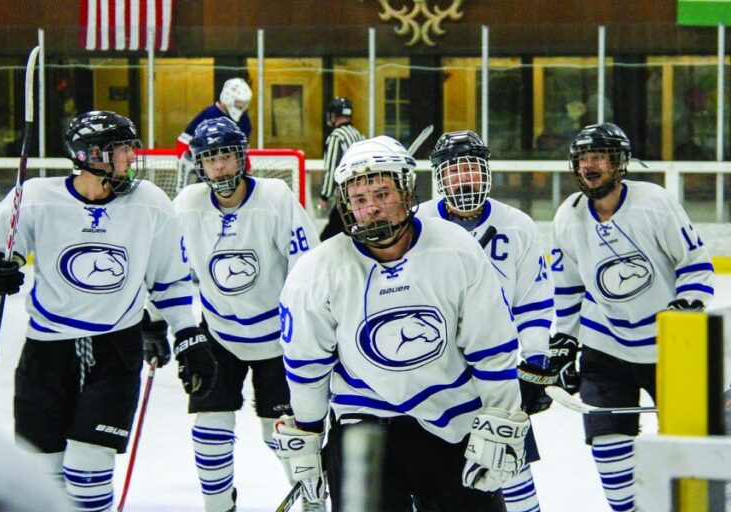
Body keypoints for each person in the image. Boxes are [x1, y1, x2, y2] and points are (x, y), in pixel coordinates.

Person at [0, 110, 216, 511]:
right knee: (41, 474)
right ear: (92, 155)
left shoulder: (150, 203)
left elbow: (169, 279)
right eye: (122, 150)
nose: (131, 158)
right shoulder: (34, 197)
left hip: (115, 350)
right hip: (46, 352)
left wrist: (188, 334)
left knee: (89, 468)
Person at [273, 135, 529, 511]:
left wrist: (500, 415)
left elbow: (491, 347)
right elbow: (307, 364)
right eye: (360, 200)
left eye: (382, 194)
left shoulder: (456, 250)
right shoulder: (317, 271)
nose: (372, 208)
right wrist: (308, 431)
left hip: (454, 422)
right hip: (364, 428)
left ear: (407, 192)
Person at [152, 116, 319, 512]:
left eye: (227, 155)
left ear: (242, 157)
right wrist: (154, 321)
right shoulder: (187, 205)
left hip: (280, 341)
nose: (220, 166)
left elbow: (307, 266)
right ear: (200, 165)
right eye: (211, 159)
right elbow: (163, 268)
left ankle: (313, 502)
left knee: (283, 437)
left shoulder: (276, 197)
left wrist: (316, 332)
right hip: (220, 335)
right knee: (209, 430)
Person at [549, 122, 714, 512]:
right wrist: (564, 342)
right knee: (608, 448)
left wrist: (686, 306)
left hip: (670, 347)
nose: (589, 166)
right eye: (583, 158)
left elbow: (694, 262)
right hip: (605, 348)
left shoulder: (653, 202)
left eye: (599, 157)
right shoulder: (567, 217)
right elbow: (568, 287)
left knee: (689, 448)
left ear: (619, 162)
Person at [416, 130, 557, 512]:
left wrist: (535, 361)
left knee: (510, 466)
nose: (464, 179)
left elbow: (534, 302)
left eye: (472, 170)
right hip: (432, 373)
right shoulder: (418, 222)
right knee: (428, 474)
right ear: (440, 177)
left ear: (487, 173)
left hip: (495, 370)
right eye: (454, 171)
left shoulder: (518, 225)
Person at [317, 96, 365, 241]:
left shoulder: (336, 137)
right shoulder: (358, 134)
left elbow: (332, 169)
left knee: (327, 237)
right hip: (361, 193)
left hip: (346, 196)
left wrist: (324, 196)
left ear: (333, 114)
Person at [176, 78, 253, 157]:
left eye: (245, 103)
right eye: (239, 102)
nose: (243, 106)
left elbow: (243, 148)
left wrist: (245, 166)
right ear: (228, 97)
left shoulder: (243, 119)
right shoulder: (209, 115)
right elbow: (184, 143)